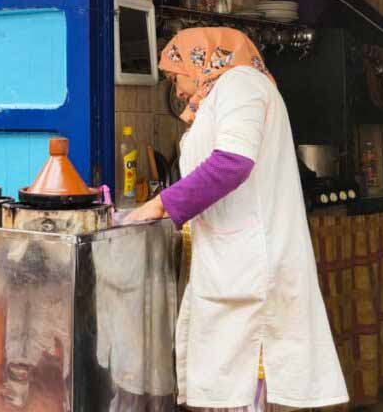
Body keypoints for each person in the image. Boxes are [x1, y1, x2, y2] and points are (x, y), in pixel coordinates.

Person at [126, 27, 347, 412]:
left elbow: (232, 163)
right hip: (233, 261)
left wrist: (160, 205)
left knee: (251, 382)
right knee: (233, 385)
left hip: (253, 264)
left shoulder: (241, 84)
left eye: (174, 74)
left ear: (200, 59)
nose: (177, 89)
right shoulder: (220, 95)